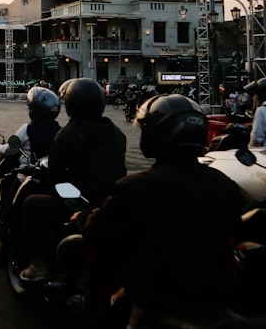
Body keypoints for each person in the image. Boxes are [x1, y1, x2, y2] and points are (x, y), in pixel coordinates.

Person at [77, 94, 246, 326]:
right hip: (217, 293)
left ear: (155, 134)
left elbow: (98, 232)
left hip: (156, 296)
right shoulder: (225, 184)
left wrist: (83, 217)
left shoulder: (136, 186)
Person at [19, 77, 127, 281]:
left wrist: (76, 204)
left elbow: (57, 182)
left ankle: (38, 264)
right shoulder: (117, 134)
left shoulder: (67, 134)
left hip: (82, 203)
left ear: (70, 104)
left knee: (31, 204)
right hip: (111, 202)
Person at [0, 85, 62, 166]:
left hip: (29, 174)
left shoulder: (27, 129)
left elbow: (10, 149)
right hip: (52, 173)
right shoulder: (60, 130)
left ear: (34, 109)